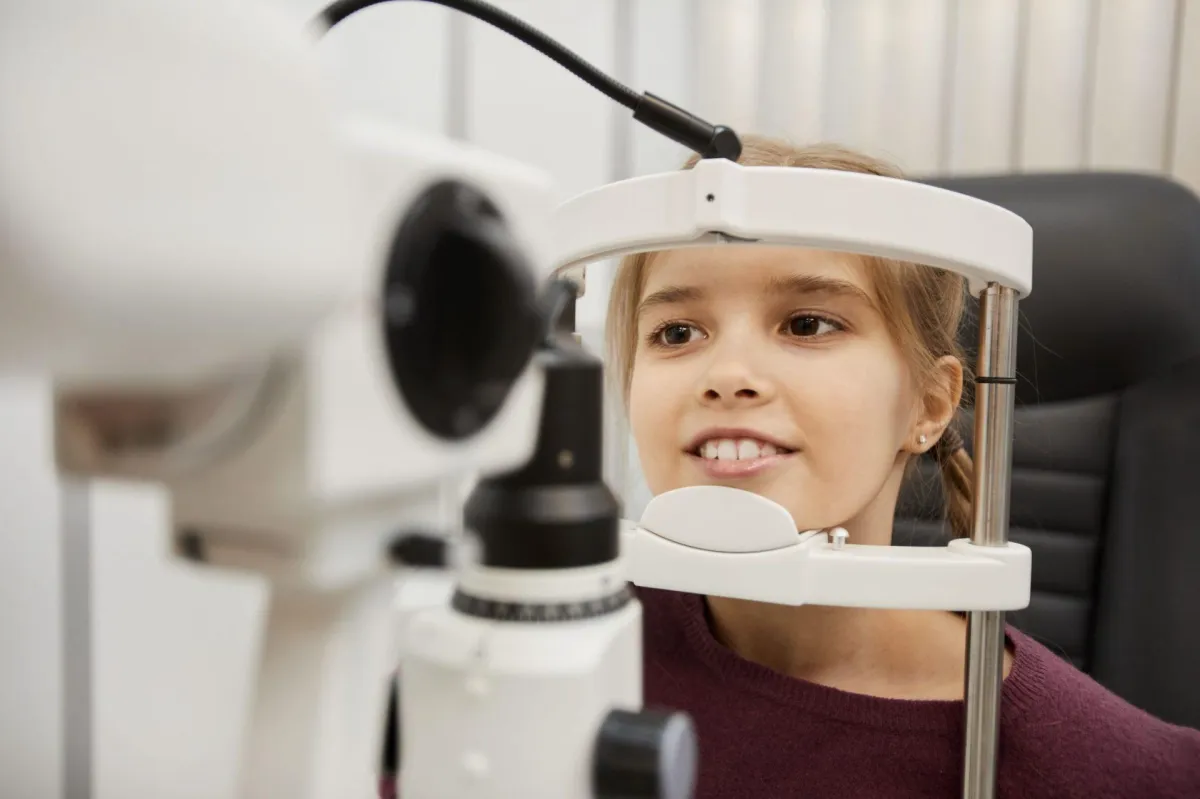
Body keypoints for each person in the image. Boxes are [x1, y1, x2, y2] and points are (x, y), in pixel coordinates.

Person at [605, 135, 1200, 798]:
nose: (727, 376)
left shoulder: (1117, 771)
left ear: (929, 404)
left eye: (807, 324)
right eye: (677, 332)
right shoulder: (575, 645)